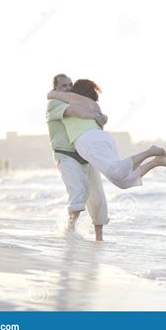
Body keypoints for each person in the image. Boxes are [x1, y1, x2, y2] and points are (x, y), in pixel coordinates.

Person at [48, 79, 166, 190]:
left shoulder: (74, 99)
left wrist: (53, 92)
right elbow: (101, 123)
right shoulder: (95, 106)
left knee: (116, 172)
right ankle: (156, 162)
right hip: (103, 137)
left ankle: (150, 151)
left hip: (86, 139)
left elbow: (52, 94)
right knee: (123, 182)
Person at [46, 74, 109, 240]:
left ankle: (99, 238)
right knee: (79, 190)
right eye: (64, 86)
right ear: (56, 89)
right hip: (65, 153)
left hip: (87, 154)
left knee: (98, 197)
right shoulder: (55, 103)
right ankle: (70, 229)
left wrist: (101, 118)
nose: (68, 88)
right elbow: (74, 111)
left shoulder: (79, 102)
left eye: (70, 85)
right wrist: (97, 116)